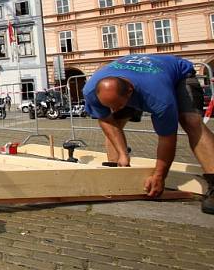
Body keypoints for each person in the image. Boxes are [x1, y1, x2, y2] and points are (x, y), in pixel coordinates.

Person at [83, 54, 214, 214]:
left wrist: (160, 176)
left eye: (118, 104)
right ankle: (118, 170)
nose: (115, 109)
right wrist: (122, 154)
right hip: (138, 78)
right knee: (115, 120)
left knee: (190, 121)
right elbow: (106, 121)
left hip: (178, 74)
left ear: (130, 93)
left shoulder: (159, 97)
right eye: (109, 105)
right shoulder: (90, 91)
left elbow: (167, 138)